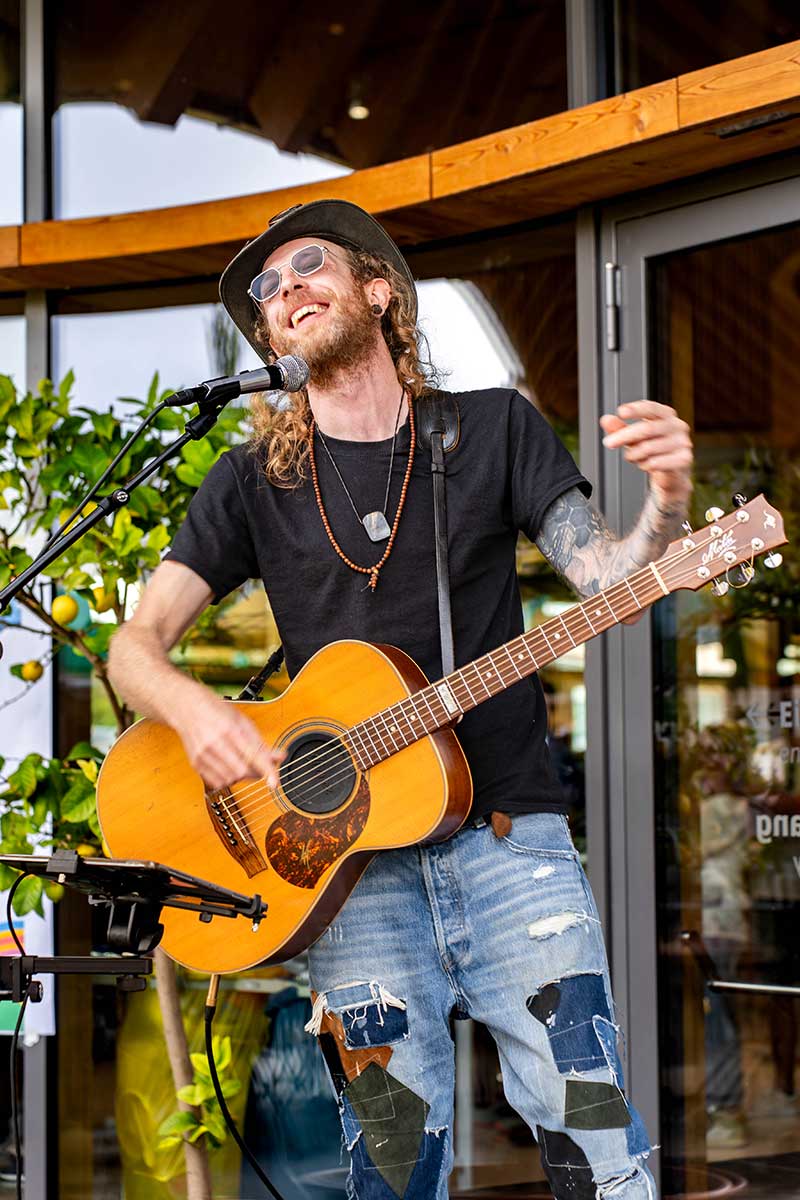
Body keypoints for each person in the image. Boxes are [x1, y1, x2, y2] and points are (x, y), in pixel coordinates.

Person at [108, 199, 693, 1199]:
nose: (282, 289)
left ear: (378, 290)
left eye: (304, 265)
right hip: (342, 876)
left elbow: (606, 581)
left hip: (511, 843)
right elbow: (133, 648)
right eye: (264, 290)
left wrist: (670, 510)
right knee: (389, 1158)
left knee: (589, 1122)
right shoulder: (251, 482)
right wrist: (194, 710)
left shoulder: (494, 429)